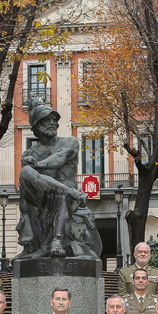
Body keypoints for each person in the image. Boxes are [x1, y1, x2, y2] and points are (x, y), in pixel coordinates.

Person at [16, 103, 100, 259]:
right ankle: (33, 245)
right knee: (26, 171)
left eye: (54, 120)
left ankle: (57, 241)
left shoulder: (70, 142)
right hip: (43, 198)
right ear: (36, 125)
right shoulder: (29, 153)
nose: (53, 123)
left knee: (63, 195)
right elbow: (30, 180)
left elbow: (60, 158)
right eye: (47, 120)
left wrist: (38, 164)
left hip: (64, 198)